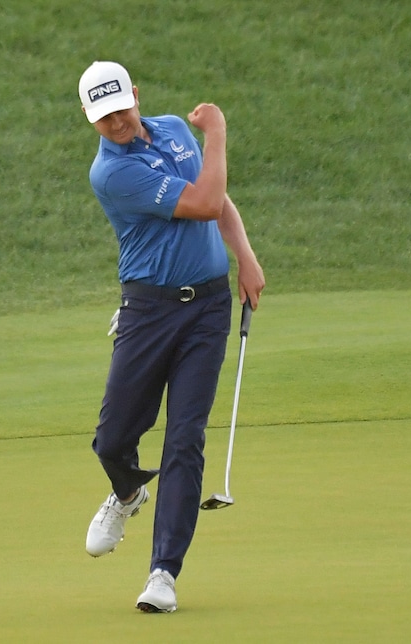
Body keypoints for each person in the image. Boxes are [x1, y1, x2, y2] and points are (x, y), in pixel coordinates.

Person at [77, 61, 265, 613]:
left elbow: (218, 199)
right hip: (148, 312)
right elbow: (204, 202)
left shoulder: (176, 132)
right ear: (90, 119)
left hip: (206, 309)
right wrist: (221, 132)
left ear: (136, 94)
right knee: (113, 439)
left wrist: (246, 259)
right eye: (103, 116)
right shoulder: (110, 172)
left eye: (121, 107)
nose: (115, 121)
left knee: (185, 438)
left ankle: (163, 573)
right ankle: (128, 492)